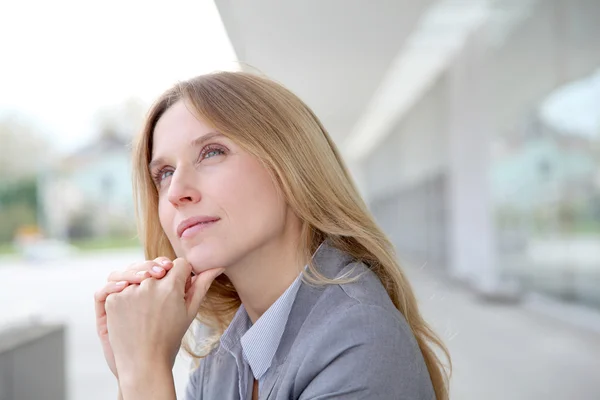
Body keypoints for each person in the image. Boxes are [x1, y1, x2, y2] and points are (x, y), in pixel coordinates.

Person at [94, 71, 451, 400]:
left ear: (290, 163)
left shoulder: (361, 339)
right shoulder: (224, 348)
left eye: (211, 152)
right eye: (165, 173)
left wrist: (145, 372)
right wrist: (131, 367)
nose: (176, 192)